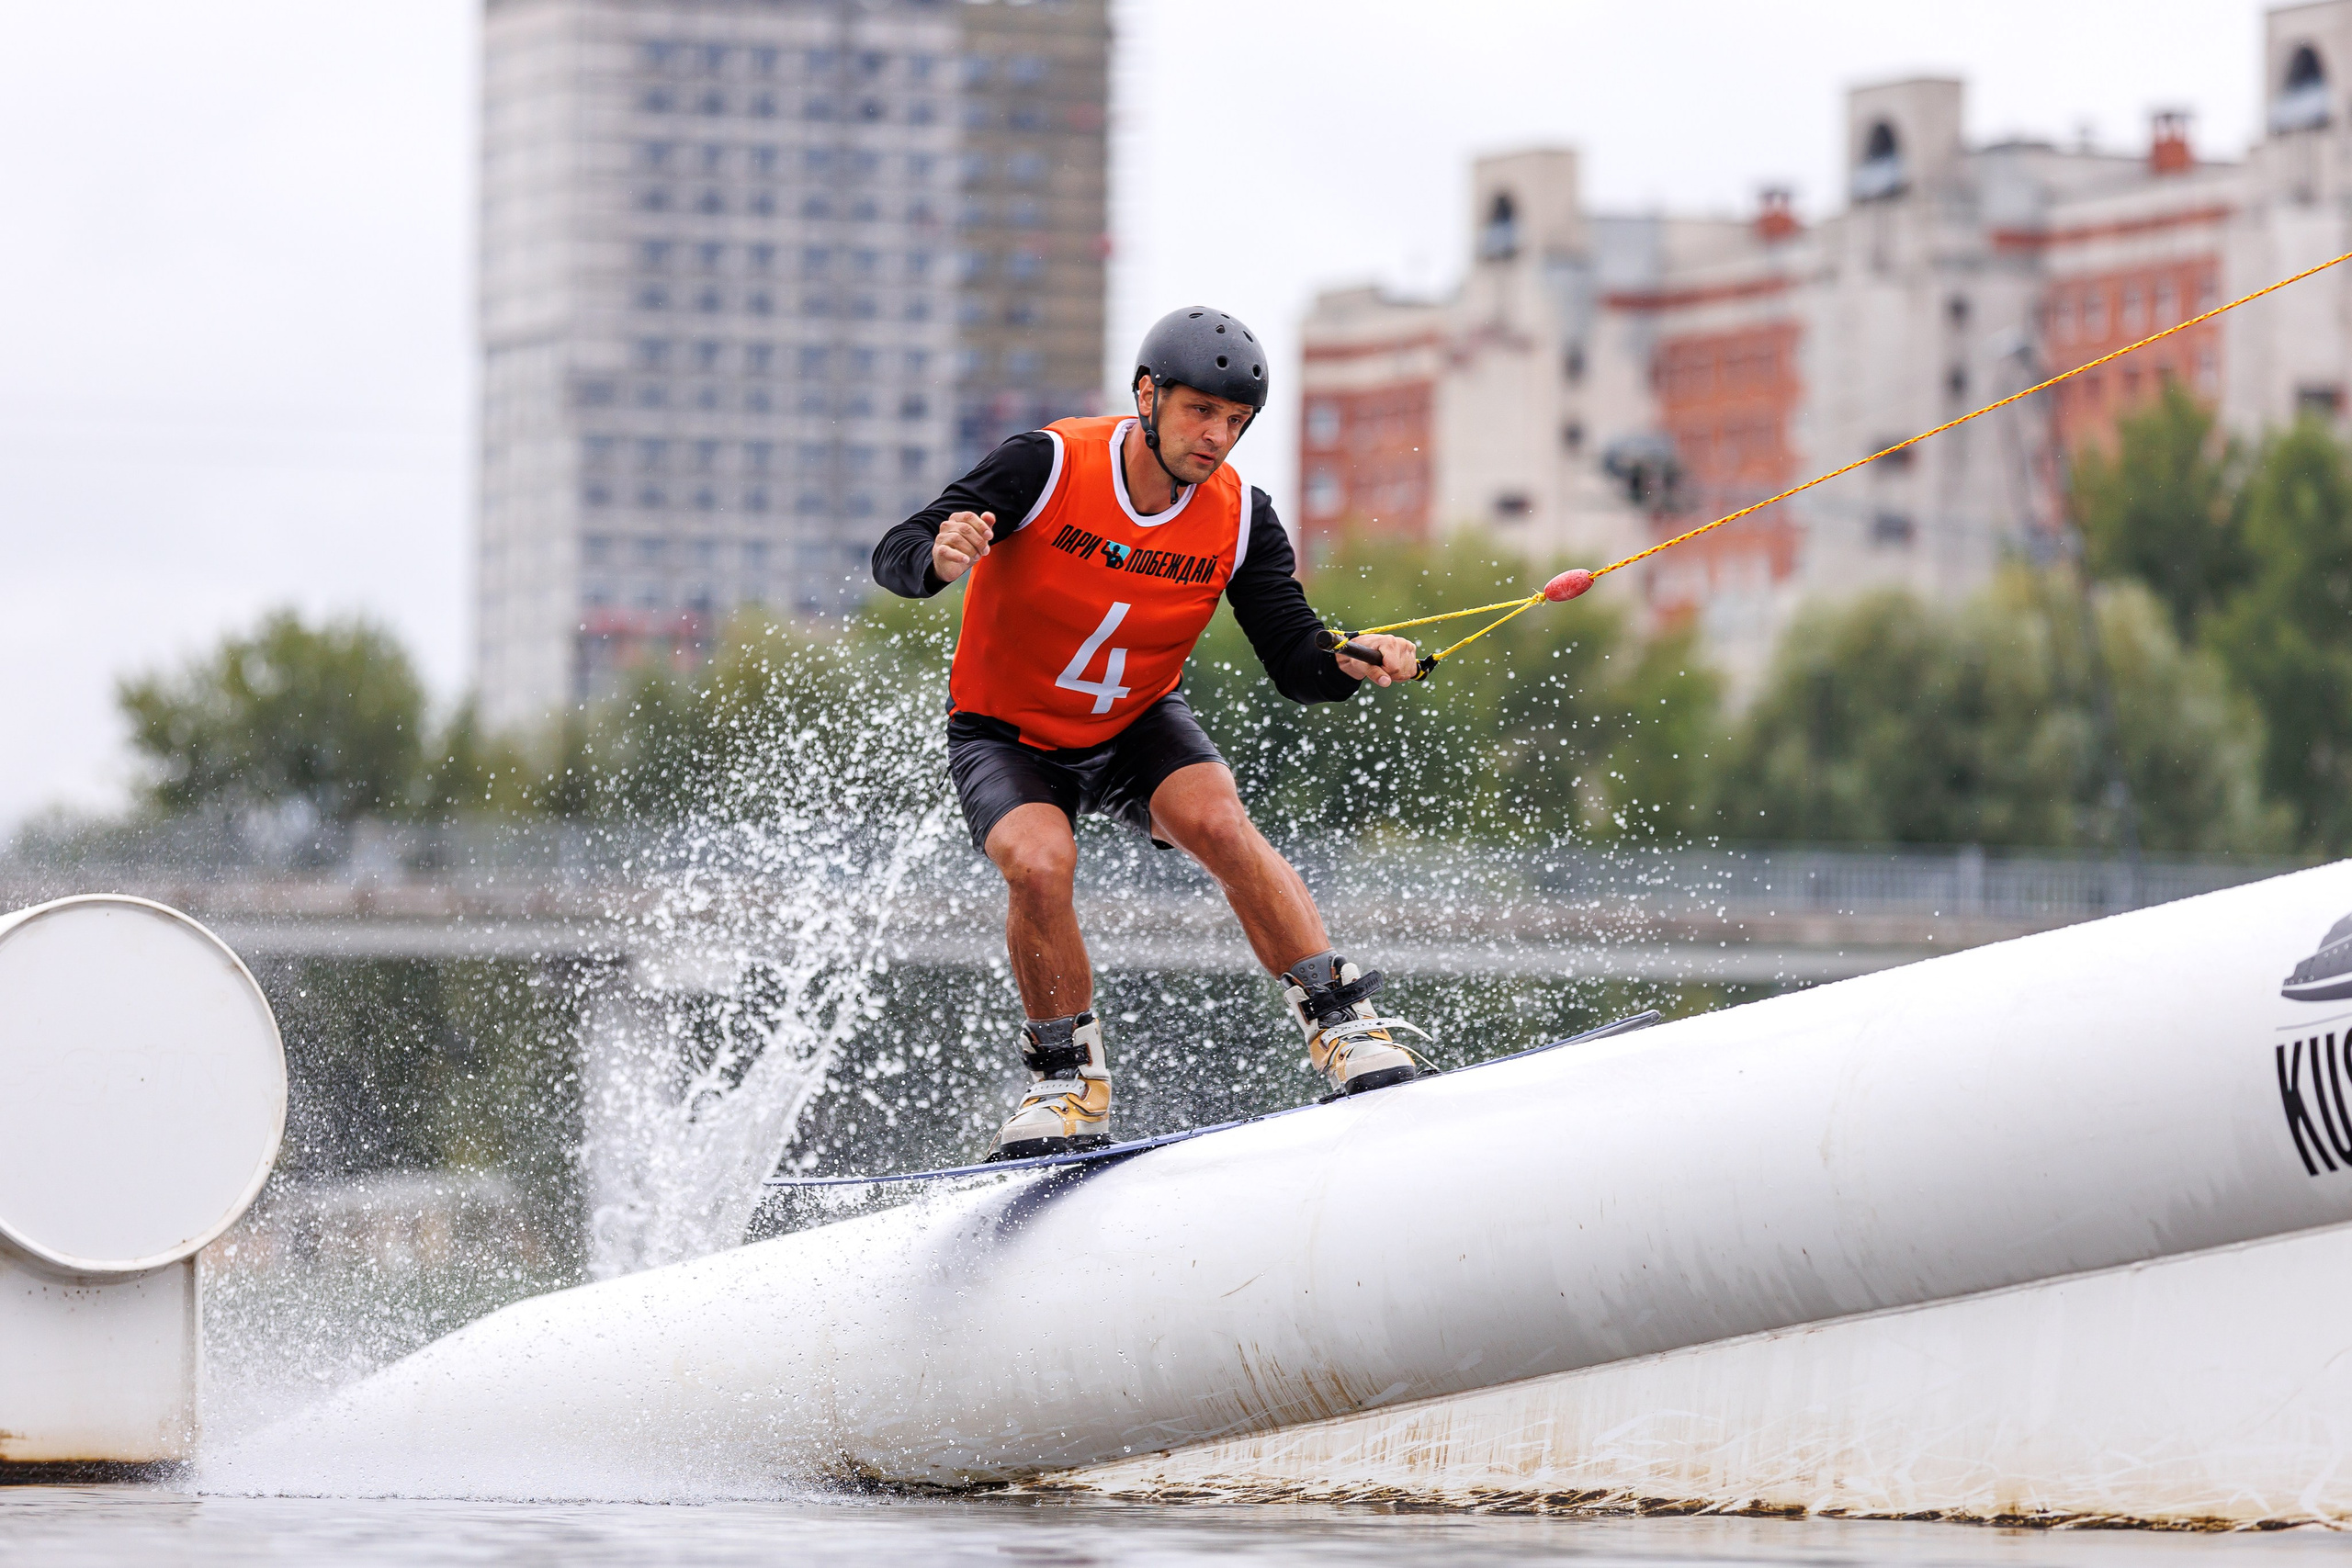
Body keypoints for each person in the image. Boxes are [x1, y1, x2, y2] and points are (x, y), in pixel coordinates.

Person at [870, 306, 1426, 1159]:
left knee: (1217, 818)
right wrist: (937, 556)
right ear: (1147, 395)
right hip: (1006, 731)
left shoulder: (1244, 516)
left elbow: (1294, 653)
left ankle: (1342, 1024)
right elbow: (898, 548)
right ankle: (1066, 1080)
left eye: (1236, 422)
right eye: (1201, 411)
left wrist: (1349, 659)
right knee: (1040, 861)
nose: (1216, 437)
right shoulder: (1046, 463)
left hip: (1133, 723)